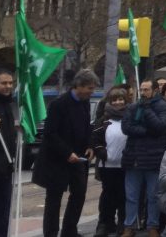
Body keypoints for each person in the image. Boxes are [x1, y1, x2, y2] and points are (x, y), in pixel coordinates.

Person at [33, 69, 98, 237]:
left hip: (78, 159)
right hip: (57, 160)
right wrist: (67, 153)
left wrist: (90, 145)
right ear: (79, 86)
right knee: (53, 200)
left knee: (79, 194)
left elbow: (87, 127)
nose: (92, 92)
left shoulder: (84, 102)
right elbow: (50, 133)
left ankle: (69, 231)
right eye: (90, 88)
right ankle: (51, 233)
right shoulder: (59, 104)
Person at [121, 79, 166, 237]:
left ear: (155, 90)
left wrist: (148, 111)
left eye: (146, 90)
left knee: (153, 195)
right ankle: (129, 226)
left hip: (153, 159)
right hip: (134, 158)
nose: (143, 93)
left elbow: (160, 127)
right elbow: (126, 128)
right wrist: (146, 131)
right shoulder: (132, 107)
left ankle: (152, 226)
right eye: (141, 89)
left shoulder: (163, 106)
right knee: (131, 196)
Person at [91, 87, 129, 237]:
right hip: (107, 166)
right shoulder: (103, 120)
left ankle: (123, 223)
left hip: (126, 165)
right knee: (108, 196)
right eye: (115, 100)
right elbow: (95, 138)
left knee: (123, 195)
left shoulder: (130, 118)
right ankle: (105, 223)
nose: (118, 102)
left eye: (121, 99)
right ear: (110, 102)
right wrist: (102, 152)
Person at [0, 69, 15, 237]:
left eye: (10, 83)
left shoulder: (7, 104)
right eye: (3, 83)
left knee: (3, 212)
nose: (8, 86)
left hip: (5, 169)